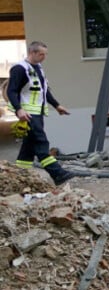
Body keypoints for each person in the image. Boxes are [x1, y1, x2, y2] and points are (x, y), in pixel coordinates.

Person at [5, 41, 77, 185]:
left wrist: (57, 106)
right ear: (32, 53)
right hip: (28, 114)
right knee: (41, 142)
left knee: (29, 146)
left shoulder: (38, 68)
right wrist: (19, 109)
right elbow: (11, 91)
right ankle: (58, 174)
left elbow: (44, 91)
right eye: (41, 54)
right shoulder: (19, 69)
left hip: (37, 113)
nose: (44, 57)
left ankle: (21, 174)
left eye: (45, 54)